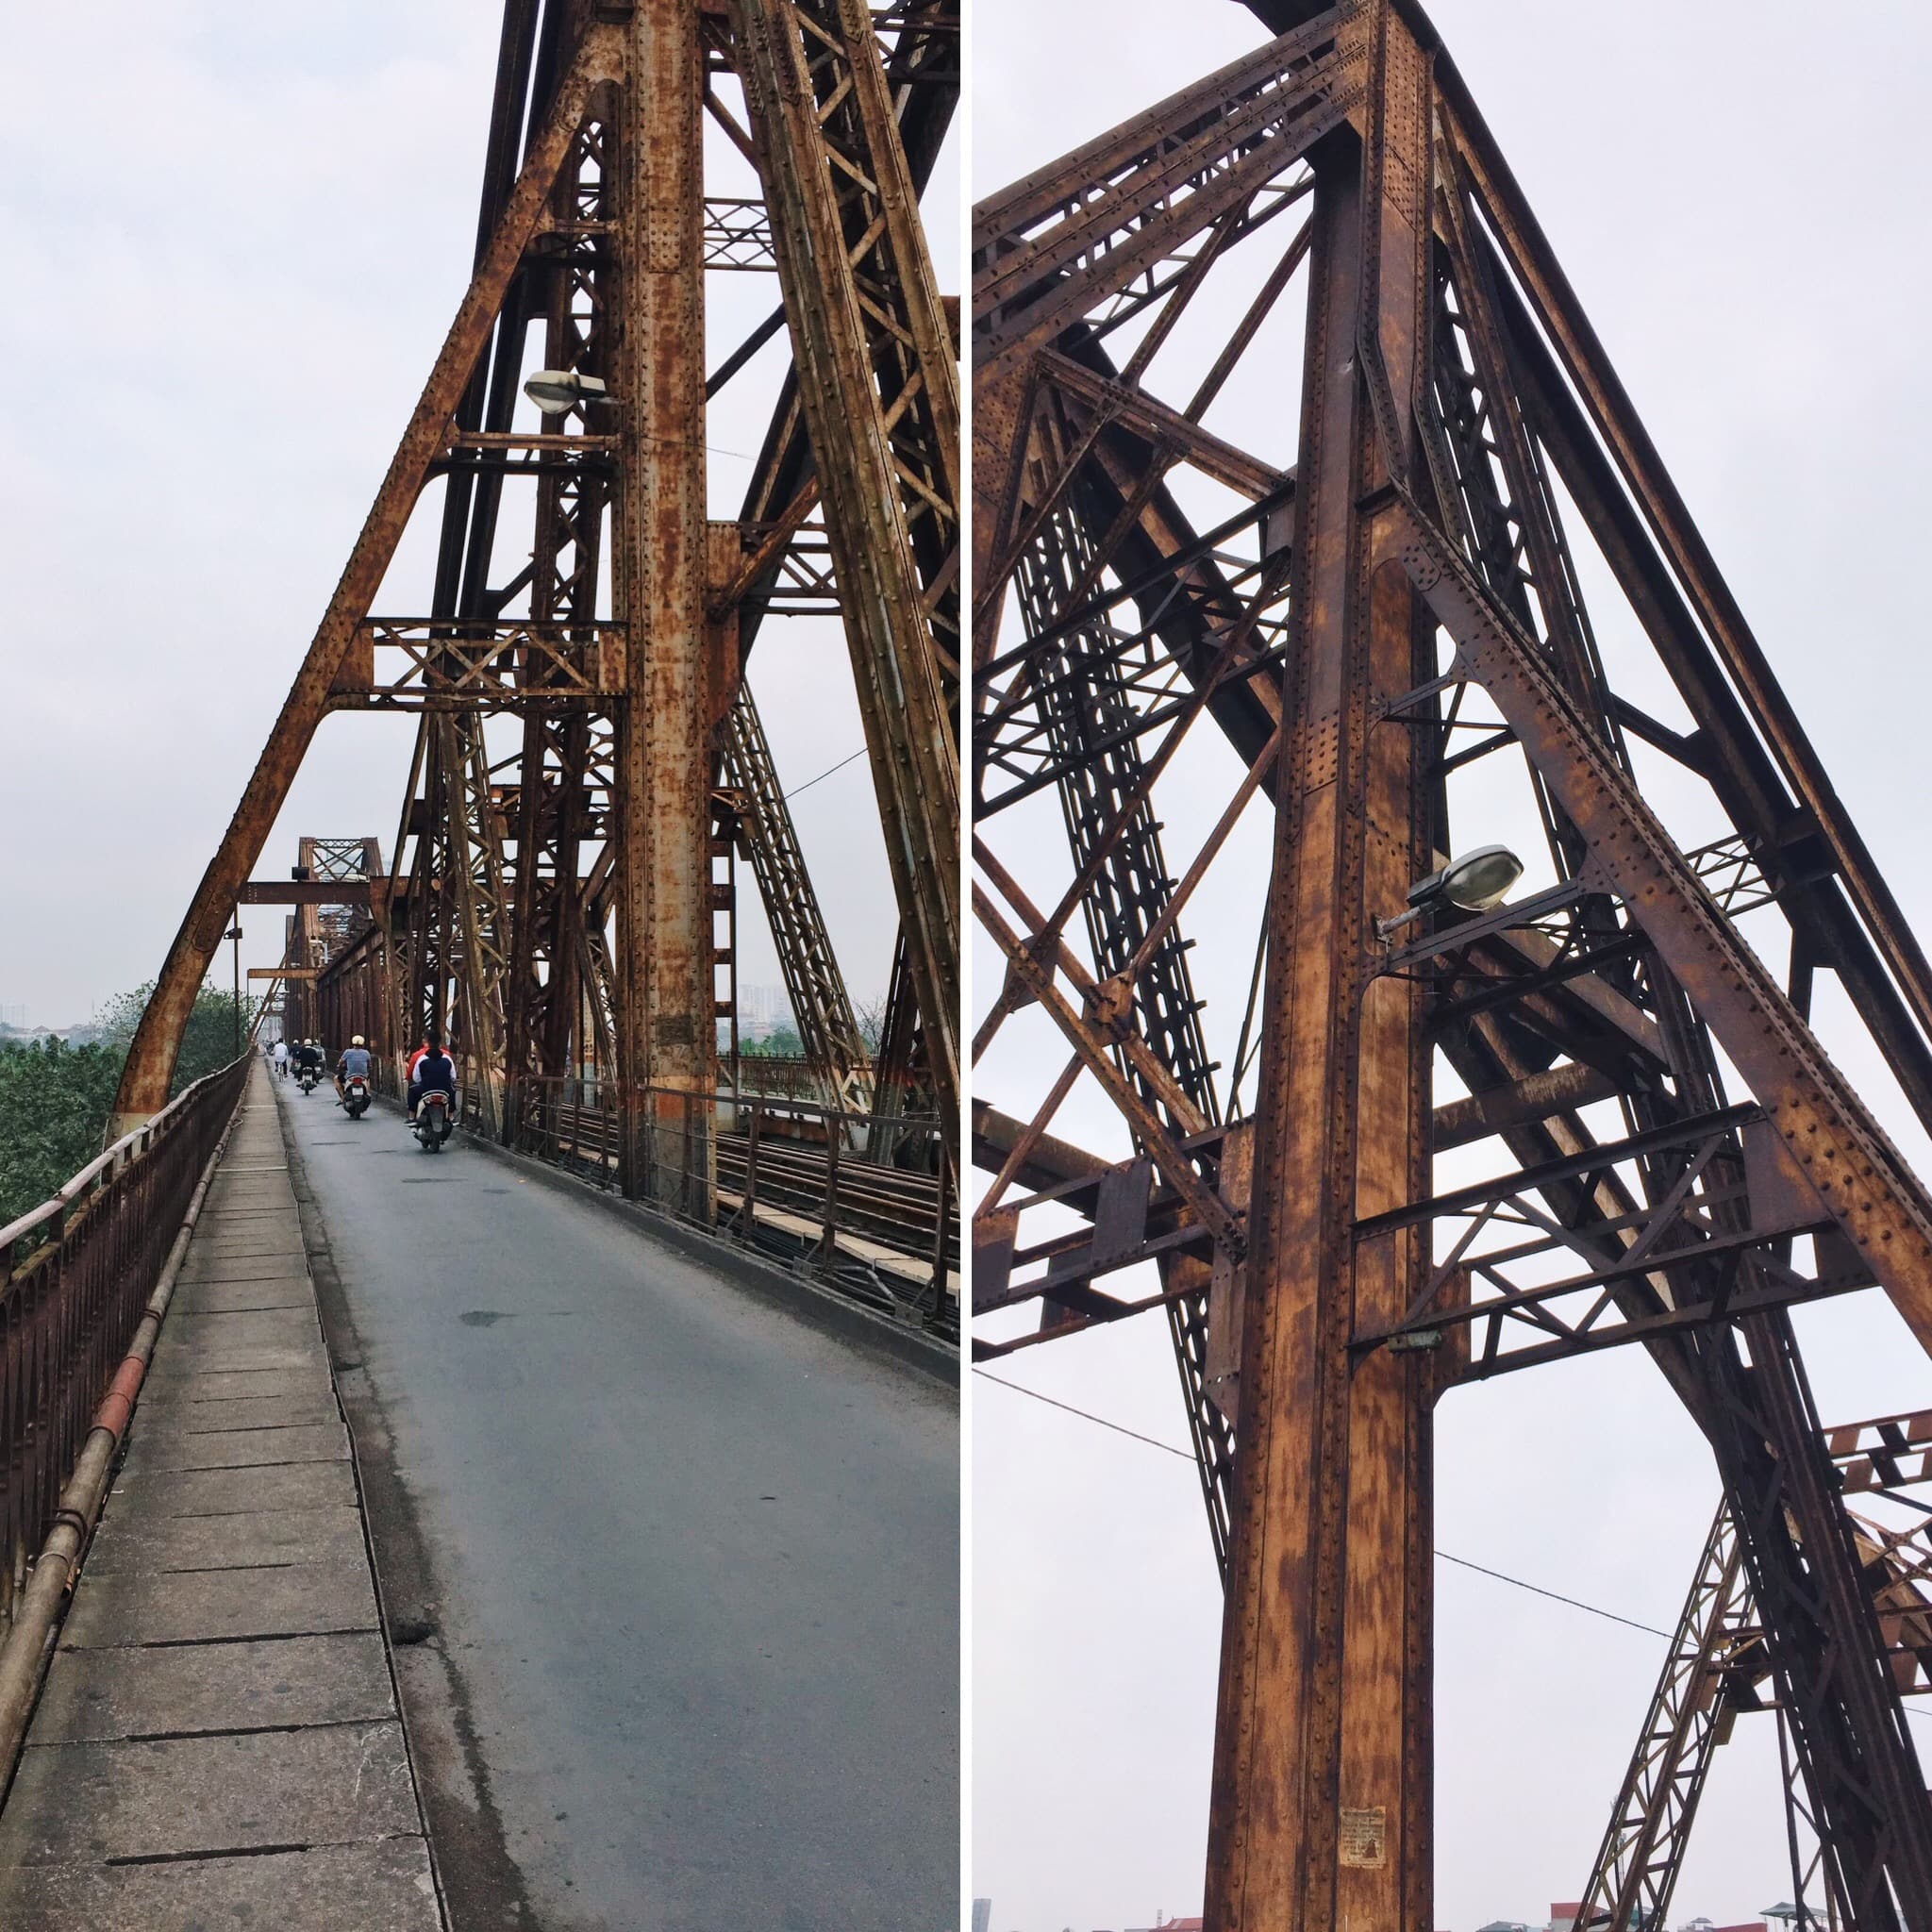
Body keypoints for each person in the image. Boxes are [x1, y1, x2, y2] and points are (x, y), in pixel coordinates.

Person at [406, 1031, 458, 1123]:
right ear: (440, 1044)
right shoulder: (447, 1058)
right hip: (444, 1089)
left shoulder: (421, 1058)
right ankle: (451, 1117)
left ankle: (411, 1117)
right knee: (452, 1092)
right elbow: (453, 1077)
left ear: (428, 1043)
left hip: (426, 1089)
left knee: (412, 1091)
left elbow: (416, 1078)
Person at [335, 1033, 373, 1103]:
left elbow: (341, 1061)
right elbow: (369, 1064)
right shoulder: (366, 1053)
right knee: (368, 1078)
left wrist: (339, 1066)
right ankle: (367, 1093)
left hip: (350, 1075)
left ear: (353, 1043)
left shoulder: (348, 1052)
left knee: (336, 1079)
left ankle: (342, 1098)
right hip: (363, 1075)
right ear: (362, 1043)